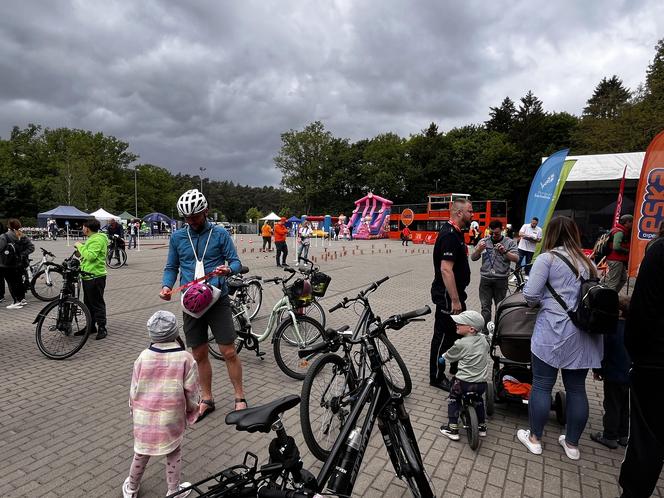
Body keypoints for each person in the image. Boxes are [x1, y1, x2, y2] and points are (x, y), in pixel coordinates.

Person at [516, 216, 602, 460]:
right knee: (577, 389)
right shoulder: (589, 262)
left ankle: (535, 438)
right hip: (584, 334)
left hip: (553, 332)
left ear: (550, 234)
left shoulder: (547, 259)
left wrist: (544, 300)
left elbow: (530, 295)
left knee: (542, 384)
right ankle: (572, 445)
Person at [160, 189, 246, 421]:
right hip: (191, 302)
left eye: (195, 216)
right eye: (186, 218)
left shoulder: (219, 234)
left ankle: (239, 397)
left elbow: (236, 262)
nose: (191, 221)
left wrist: (228, 269)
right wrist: (166, 286)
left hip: (217, 298)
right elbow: (171, 267)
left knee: (228, 351)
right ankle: (207, 398)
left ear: (205, 211)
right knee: (198, 353)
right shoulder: (178, 237)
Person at [123, 311, 200, 498]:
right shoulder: (185, 358)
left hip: (144, 416)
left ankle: (131, 488)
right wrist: (191, 411)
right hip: (171, 417)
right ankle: (173, 491)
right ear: (175, 332)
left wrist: (133, 408)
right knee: (173, 452)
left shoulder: (143, 356)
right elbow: (192, 391)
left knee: (141, 452)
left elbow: (134, 388)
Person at [619, 233, 664, 497]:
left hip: (655, 360)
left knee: (646, 439)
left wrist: (634, 353)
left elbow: (642, 310)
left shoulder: (658, 252)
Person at [430, 198, 474, 392]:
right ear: (459, 213)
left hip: (455, 295)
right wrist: (455, 299)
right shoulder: (449, 235)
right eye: (469, 211)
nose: (472, 215)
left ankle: (452, 364)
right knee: (442, 337)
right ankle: (436, 376)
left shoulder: (456, 233)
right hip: (448, 296)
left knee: (454, 333)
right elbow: (446, 270)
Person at [438, 310, 490, 440]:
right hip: (481, 383)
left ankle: (453, 428)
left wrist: (443, 358)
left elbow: (451, 354)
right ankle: (481, 426)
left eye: (460, 323)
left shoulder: (461, 343)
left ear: (471, 329)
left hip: (464, 383)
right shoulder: (484, 340)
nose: (456, 324)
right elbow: (487, 344)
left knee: (453, 398)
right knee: (478, 400)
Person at [590, 295, 630, 450]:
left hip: (614, 374)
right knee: (625, 406)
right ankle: (624, 435)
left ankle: (610, 435)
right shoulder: (634, 329)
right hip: (629, 375)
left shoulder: (612, 329)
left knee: (612, 405)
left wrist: (597, 370)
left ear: (619, 312)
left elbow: (604, 353)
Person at [471, 220, 519, 331]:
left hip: (501, 280)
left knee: (500, 307)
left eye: (496, 234)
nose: (493, 236)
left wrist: (505, 251)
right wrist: (478, 250)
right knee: (485, 308)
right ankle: (485, 331)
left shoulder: (509, 242)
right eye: (491, 233)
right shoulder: (484, 241)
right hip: (485, 280)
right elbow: (473, 258)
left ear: (502, 230)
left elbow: (516, 258)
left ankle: (498, 331)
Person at [75, 219, 109, 339]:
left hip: (95, 276)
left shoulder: (98, 239)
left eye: (83, 227)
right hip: (88, 275)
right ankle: (91, 326)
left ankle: (102, 327)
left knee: (97, 303)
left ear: (87, 228)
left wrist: (80, 246)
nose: (82, 229)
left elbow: (91, 257)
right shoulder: (93, 239)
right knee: (88, 303)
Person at [0, 219, 34, 309]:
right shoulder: (22, 235)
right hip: (20, 263)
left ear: (9, 226)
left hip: (7, 264)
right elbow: (31, 247)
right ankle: (22, 299)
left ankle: (16, 301)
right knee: (19, 282)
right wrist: (22, 255)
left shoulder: (4, 236)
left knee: (11, 283)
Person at [604, 214, 632, 292]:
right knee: (613, 283)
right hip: (615, 260)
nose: (632, 224)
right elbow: (616, 247)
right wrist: (627, 251)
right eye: (631, 222)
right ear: (626, 223)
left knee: (623, 279)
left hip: (618, 260)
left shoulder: (617, 230)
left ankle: (613, 297)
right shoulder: (619, 232)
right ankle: (608, 300)